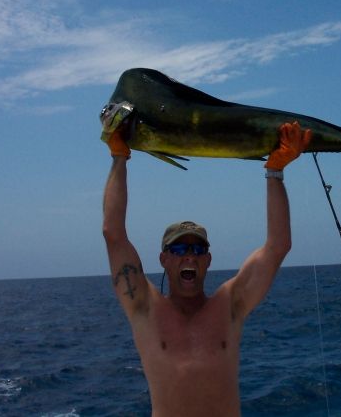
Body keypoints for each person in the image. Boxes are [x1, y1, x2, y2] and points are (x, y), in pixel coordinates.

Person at [102, 121, 312, 417]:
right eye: (179, 249)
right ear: (164, 260)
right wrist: (118, 157)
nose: (190, 256)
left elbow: (278, 246)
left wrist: (275, 171)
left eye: (198, 250)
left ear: (208, 260)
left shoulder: (231, 305)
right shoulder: (143, 308)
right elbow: (113, 234)